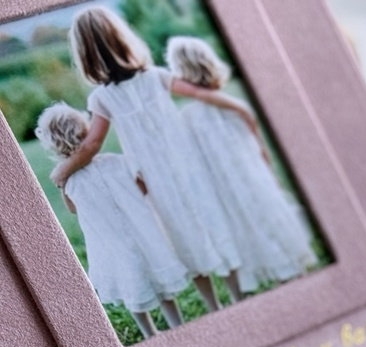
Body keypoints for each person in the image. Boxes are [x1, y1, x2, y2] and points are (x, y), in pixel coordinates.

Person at [51, 7, 248, 311]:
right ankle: (237, 297)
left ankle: (214, 306)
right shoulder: (156, 77)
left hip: (153, 179)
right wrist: (237, 107)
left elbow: (91, 145)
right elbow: (198, 93)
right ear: (122, 40)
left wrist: (62, 172)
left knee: (182, 236)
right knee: (210, 223)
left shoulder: (102, 98)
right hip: (188, 166)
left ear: (86, 55)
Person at [166, 35, 318, 293]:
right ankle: (293, 270)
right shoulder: (234, 106)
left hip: (226, 189)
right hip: (253, 178)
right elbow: (258, 144)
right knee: (269, 216)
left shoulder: (188, 117)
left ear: (179, 70)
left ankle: (281, 276)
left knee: (247, 224)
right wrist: (268, 169)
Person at [36, 102, 189, 340]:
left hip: (111, 245)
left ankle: (150, 333)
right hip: (142, 234)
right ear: (85, 129)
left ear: (52, 144)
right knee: (162, 285)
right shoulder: (114, 162)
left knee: (130, 288)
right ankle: (177, 324)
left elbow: (73, 209)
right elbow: (142, 187)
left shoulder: (69, 182)